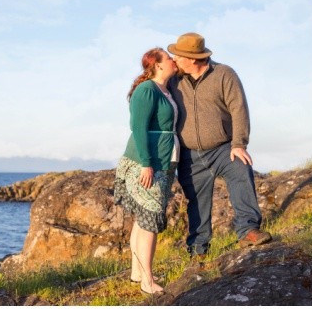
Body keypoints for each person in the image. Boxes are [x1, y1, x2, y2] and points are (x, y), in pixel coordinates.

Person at [167, 32, 271, 259]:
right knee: (196, 202)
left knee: (241, 171)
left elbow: (239, 108)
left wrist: (239, 144)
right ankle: (198, 251)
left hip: (224, 148)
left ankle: (248, 230)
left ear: (193, 59)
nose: (173, 59)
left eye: (178, 56)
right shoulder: (174, 78)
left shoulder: (224, 74)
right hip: (189, 154)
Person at [113, 47, 180, 296]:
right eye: (169, 58)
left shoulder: (166, 89)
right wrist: (146, 163)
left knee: (143, 221)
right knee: (150, 219)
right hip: (149, 162)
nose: (174, 61)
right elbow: (137, 127)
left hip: (166, 159)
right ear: (159, 65)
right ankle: (147, 281)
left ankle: (137, 273)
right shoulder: (147, 90)